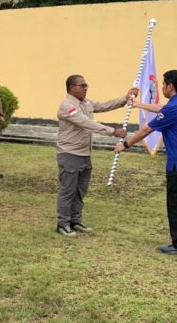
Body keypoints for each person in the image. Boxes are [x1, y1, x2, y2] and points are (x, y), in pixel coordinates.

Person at [116, 70, 177, 255]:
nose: (162, 87)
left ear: (170, 86)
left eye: (163, 84)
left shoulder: (174, 107)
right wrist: (138, 104)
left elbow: (146, 129)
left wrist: (126, 144)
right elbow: (163, 109)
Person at [55, 75, 133, 237]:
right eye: (82, 85)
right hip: (70, 154)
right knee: (68, 191)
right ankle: (63, 224)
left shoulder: (86, 103)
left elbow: (103, 106)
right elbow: (87, 123)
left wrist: (124, 99)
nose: (86, 88)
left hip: (84, 154)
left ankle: (75, 221)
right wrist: (113, 131)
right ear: (71, 88)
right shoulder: (67, 106)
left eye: (86, 85)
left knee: (80, 191)